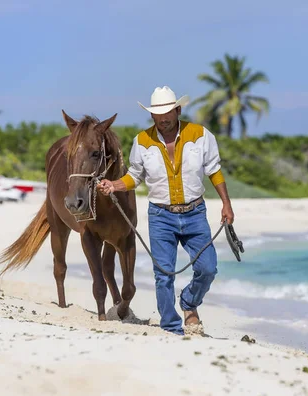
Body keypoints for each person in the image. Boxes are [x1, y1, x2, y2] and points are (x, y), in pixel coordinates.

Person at [97, 86, 234, 336]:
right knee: (163, 275)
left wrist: (226, 203)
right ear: (151, 115)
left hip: (195, 213)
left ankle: (189, 303)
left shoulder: (201, 135)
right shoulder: (142, 141)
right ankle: (171, 328)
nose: (163, 119)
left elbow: (214, 170)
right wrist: (114, 185)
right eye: (157, 114)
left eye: (167, 113)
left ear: (178, 110)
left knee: (208, 268)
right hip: (161, 216)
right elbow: (135, 176)